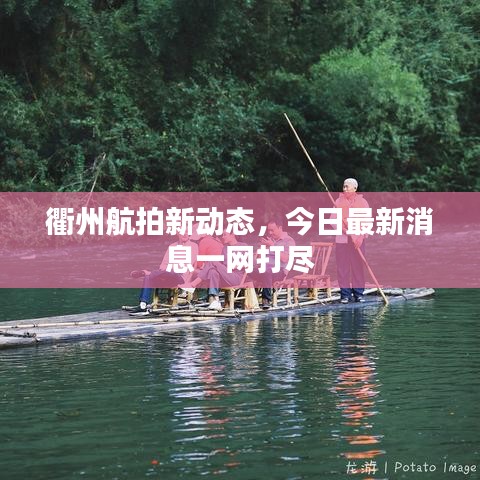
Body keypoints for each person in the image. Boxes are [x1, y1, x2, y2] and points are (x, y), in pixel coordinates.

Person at [130, 233, 198, 314]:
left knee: (161, 273)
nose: (185, 234)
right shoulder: (172, 246)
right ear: (177, 233)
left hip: (181, 277)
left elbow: (190, 265)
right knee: (148, 277)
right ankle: (143, 305)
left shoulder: (193, 246)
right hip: (167, 275)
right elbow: (163, 265)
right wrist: (165, 270)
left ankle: (148, 272)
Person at [180, 231, 246, 310]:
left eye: (225, 235)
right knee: (213, 271)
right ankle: (216, 300)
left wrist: (236, 265)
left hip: (237, 278)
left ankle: (193, 284)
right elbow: (223, 264)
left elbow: (250, 264)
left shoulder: (243, 246)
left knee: (212, 261)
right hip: (225, 275)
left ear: (232, 235)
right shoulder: (225, 248)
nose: (223, 237)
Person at [335, 178, 368, 303]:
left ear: (355, 188)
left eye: (347, 187)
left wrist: (360, 237)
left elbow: (367, 221)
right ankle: (345, 295)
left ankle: (358, 293)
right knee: (342, 267)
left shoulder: (363, 202)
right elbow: (333, 221)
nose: (344, 189)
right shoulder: (338, 201)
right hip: (342, 240)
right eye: (344, 186)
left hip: (358, 240)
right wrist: (346, 231)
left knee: (358, 266)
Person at [252, 218, 295, 309]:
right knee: (247, 269)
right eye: (268, 230)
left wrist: (273, 246)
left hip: (279, 271)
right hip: (264, 268)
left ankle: (266, 299)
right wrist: (261, 249)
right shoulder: (268, 240)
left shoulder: (289, 241)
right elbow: (258, 259)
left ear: (280, 228)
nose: (270, 233)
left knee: (267, 271)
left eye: (272, 230)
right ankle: (248, 297)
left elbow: (285, 259)